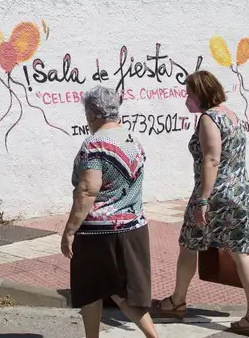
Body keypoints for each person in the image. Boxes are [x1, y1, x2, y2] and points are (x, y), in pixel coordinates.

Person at [155, 70, 249, 337]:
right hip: (241, 193)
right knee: (242, 252)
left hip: (215, 195)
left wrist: (203, 200)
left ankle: (177, 300)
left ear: (201, 95)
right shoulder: (231, 114)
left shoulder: (208, 119)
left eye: (189, 95)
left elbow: (211, 160)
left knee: (189, 244)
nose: (186, 100)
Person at [61, 86, 158, 338]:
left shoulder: (94, 144)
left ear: (93, 114)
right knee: (123, 293)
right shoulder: (132, 140)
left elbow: (87, 189)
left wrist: (70, 230)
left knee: (91, 291)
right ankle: (152, 335)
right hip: (133, 227)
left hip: (98, 232)